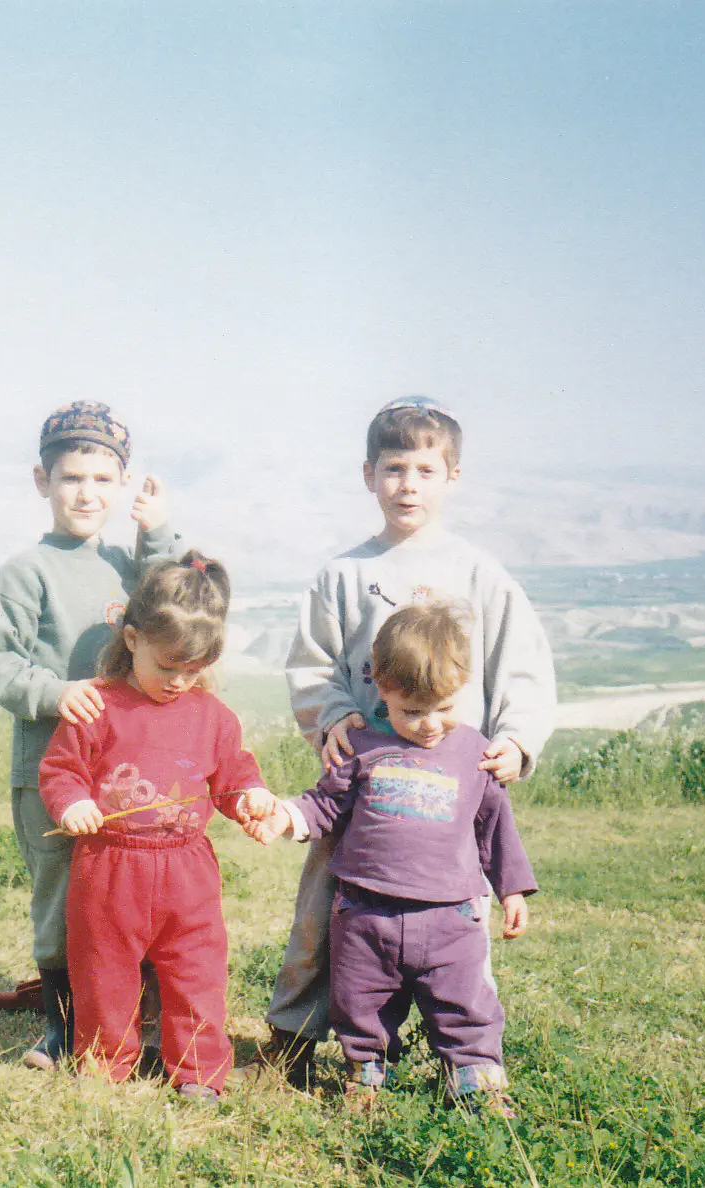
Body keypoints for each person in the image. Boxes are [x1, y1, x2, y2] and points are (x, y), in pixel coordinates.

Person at [258, 395, 555, 1088]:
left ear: (453, 476)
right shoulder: (342, 575)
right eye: (394, 468)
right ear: (369, 475)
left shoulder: (480, 575)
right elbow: (312, 664)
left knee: (457, 923)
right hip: (359, 781)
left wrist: (516, 739)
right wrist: (333, 714)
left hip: (446, 789)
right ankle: (294, 1039)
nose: (408, 485)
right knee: (323, 915)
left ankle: (468, 1058)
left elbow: (522, 666)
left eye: (425, 470)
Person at [253, 602, 537, 1115]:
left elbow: (496, 827)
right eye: (411, 711)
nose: (429, 725)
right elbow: (324, 805)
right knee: (361, 998)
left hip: (450, 916)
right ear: (381, 688)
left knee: (464, 998)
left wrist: (512, 890)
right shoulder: (359, 746)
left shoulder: (476, 754)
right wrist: (285, 817)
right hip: (366, 911)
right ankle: (365, 1072)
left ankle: (476, 1080)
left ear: (463, 687)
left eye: (443, 708)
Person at [0, 401, 182, 1072]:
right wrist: (55, 692)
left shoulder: (128, 566)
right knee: (62, 896)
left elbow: (176, 599)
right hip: (49, 768)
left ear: (122, 486)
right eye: (70, 478)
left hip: (127, 772)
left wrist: (158, 532)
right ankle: (63, 1026)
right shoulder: (27, 572)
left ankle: (135, 1022)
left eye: (101, 480)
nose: (86, 494)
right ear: (43, 481)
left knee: (131, 892)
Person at [41, 552, 278, 1102]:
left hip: (187, 871)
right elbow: (60, 770)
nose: (179, 682)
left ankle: (198, 1071)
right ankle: (103, 1066)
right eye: (168, 666)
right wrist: (71, 802)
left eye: (193, 670)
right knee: (104, 972)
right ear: (132, 639)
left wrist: (252, 797)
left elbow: (233, 775)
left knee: (197, 971)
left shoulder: (213, 716)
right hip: (108, 866)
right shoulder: (96, 706)